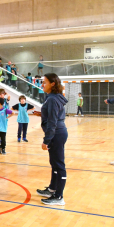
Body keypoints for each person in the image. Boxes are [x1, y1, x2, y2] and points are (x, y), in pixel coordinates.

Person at [36, 73, 68, 205]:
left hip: (56, 134)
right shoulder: (53, 98)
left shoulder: (53, 99)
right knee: (54, 163)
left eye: (45, 82)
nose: (42, 85)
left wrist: (46, 140)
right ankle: (52, 189)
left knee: (59, 164)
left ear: (52, 84)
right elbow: (53, 116)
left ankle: (59, 197)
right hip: (58, 132)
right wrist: (42, 114)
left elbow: (53, 122)